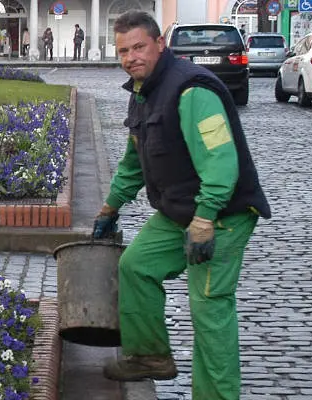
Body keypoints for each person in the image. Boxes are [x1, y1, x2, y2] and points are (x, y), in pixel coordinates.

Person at [93, 10, 271, 399]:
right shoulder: (142, 92)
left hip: (221, 215)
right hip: (179, 211)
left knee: (209, 305)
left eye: (139, 47)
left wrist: (205, 219)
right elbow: (133, 161)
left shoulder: (193, 91)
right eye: (123, 51)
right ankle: (150, 356)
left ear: (160, 44)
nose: (131, 57)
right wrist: (110, 207)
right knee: (136, 266)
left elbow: (221, 162)